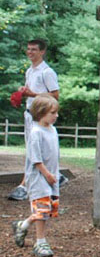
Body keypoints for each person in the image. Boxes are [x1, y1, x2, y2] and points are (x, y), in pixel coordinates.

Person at [8, 40, 60, 201]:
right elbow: (32, 91)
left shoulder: (47, 72)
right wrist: (23, 92)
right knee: (31, 148)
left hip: (41, 116)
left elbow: (55, 95)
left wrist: (32, 94)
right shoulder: (30, 71)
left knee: (36, 149)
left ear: (42, 52)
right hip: (29, 114)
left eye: (34, 50)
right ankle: (40, 180)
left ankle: (25, 185)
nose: (30, 52)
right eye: (28, 49)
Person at [11, 94, 61, 257]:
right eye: (52, 113)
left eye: (56, 112)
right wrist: (47, 174)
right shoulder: (36, 132)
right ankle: (40, 242)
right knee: (42, 208)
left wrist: (54, 174)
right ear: (41, 113)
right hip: (39, 177)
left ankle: (22, 225)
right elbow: (36, 158)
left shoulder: (52, 130)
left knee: (46, 209)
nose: (56, 116)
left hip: (51, 176)